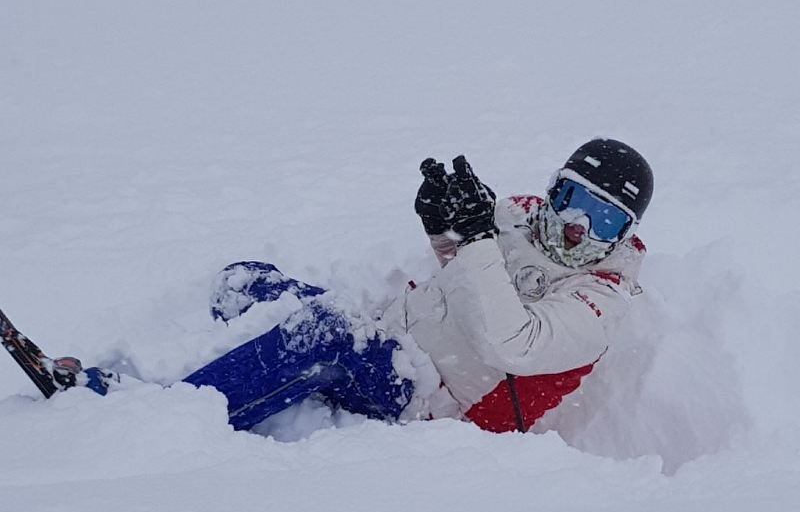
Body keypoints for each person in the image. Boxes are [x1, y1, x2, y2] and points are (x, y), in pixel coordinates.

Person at [48, 138, 654, 435]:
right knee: (247, 281)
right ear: (553, 187)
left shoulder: (600, 301)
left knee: (327, 336)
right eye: (572, 198)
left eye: (602, 218)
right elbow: (465, 277)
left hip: (430, 404)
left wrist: (472, 244)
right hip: (395, 340)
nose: (577, 226)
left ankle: (155, 417)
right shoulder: (521, 216)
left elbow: (510, 344)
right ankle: (237, 376)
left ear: (624, 232)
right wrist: (445, 231)